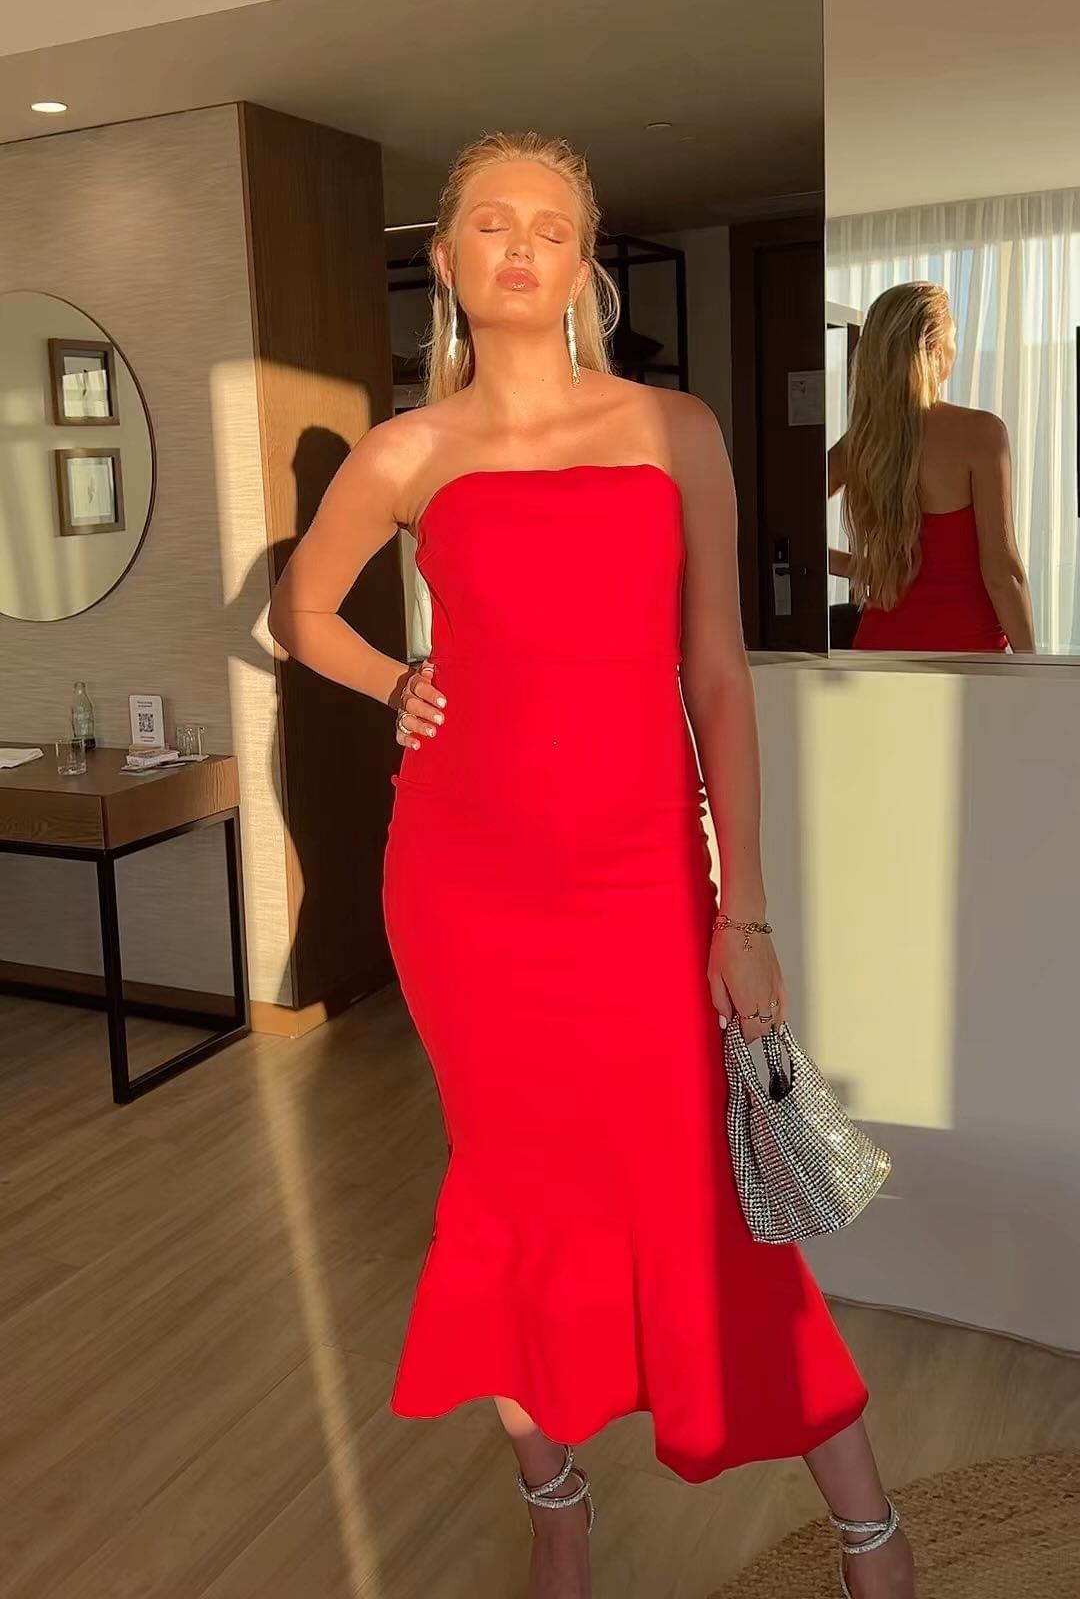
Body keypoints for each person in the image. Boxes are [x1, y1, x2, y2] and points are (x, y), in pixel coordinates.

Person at [269, 132, 915, 1599]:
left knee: (706, 1193)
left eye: (550, 227)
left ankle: (868, 1526)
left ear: (584, 267)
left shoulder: (671, 427)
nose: (519, 245)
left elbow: (719, 679)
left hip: (642, 886)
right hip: (465, 892)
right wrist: (392, 682)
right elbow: (303, 610)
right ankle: (553, 1494)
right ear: (445, 261)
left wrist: (744, 909)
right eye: (490, 223)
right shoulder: (406, 452)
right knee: (513, 1201)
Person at [828, 282, 1034, 654]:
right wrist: (1032, 666)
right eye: (954, 337)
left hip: (877, 652)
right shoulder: (982, 432)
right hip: (966, 654)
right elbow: (1002, 573)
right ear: (934, 347)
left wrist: (860, 568)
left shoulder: (862, 442)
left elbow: (787, 529)